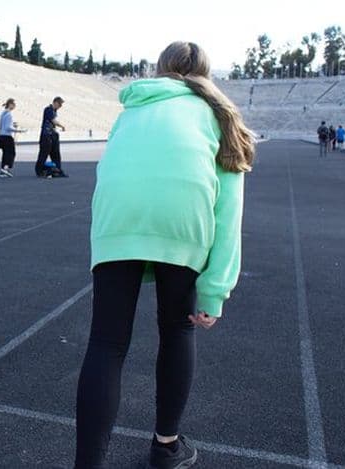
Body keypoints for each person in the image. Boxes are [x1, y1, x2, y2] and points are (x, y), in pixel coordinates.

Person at [74, 41, 254, 469]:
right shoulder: (218, 115)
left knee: (106, 342)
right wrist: (215, 290)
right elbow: (229, 209)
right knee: (178, 330)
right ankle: (166, 446)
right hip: (183, 221)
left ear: (160, 69)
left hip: (119, 219)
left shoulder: (131, 109)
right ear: (205, 74)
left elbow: (109, 171)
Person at [35, 97, 67, 177]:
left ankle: (58, 169)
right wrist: (62, 126)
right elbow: (53, 121)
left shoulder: (54, 111)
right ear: (55, 102)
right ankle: (39, 170)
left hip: (52, 134)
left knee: (55, 153)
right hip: (46, 135)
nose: (60, 106)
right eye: (59, 104)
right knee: (44, 153)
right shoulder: (48, 109)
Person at [0, 98, 26, 177]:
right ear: (10, 105)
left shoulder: (3, 113)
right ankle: (6, 167)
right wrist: (18, 130)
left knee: (5, 153)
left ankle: (3, 169)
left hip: (1, 135)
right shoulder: (9, 115)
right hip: (7, 136)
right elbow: (8, 127)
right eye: (14, 105)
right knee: (11, 153)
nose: (15, 106)